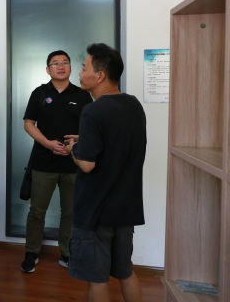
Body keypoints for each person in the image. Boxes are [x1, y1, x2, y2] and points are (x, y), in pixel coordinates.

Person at [64, 43, 146, 302]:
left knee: (97, 279)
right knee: (126, 272)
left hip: (96, 211)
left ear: (99, 75)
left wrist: (74, 149)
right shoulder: (133, 105)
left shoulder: (93, 110)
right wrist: (87, 141)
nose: (79, 73)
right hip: (126, 208)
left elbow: (87, 164)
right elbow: (118, 142)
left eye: (83, 68)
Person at [21, 50, 92, 274]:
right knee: (37, 211)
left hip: (74, 163)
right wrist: (48, 144)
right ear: (48, 69)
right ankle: (31, 252)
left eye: (64, 63)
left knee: (70, 212)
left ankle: (67, 253)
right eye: (55, 63)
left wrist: (76, 142)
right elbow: (28, 123)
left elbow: (91, 128)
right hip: (43, 162)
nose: (60, 66)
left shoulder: (82, 95)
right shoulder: (40, 93)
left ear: (70, 68)